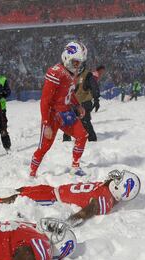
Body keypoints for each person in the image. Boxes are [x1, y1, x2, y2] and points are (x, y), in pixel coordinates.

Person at [0, 170, 140, 226]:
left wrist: (68, 223)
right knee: (21, 189)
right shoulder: (109, 191)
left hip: (52, 199)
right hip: (53, 190)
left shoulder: (104, 201)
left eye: (118, 180)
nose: (114, 178)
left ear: (120, 188)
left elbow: (87, 212)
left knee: (16, 198)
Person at [29, 41, 88, 178]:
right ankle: (31, 173)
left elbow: (69, 92)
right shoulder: (56, 72)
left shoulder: (70, 73)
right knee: (44, 147)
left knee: (82, 135)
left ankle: (75, 166)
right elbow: (45, 100)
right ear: (67, 58)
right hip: (53, 115)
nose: (78, 66)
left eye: (80, 62)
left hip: (66, 112)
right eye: (76, 62)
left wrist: (77, 105)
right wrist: (46, 123)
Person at [63, 64, 103, 142]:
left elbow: (94, 87)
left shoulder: (88, 75)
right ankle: (66, 139)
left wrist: (96, 99)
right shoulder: (70, 75)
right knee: (68, 120)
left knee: (85, 121)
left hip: (85, 101)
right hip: (72, 103)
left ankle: (92, 139)